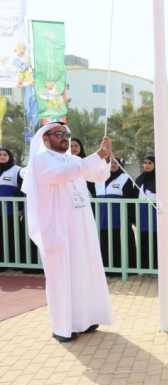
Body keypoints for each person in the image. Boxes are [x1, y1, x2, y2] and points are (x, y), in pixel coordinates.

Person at [22, 122, 113, 342]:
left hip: (81, 228)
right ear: (46, 139)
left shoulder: (73, 160)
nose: (64, 138)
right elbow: (60, 175)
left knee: (85, 271)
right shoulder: (40, 160)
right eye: (58, 134)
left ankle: (87, 318)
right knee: (62, 277)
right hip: (58, 229)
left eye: (66, 134)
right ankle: (64, 326)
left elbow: (98, 175)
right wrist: (96, 155)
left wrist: (106, 156)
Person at [95, 157, 138, 274]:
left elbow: (131, 201)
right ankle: (105, 270)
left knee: (120, 244)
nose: (113, 165)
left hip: (119, 221)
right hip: (102, 221)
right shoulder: (97, 179)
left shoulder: (125, 179)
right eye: (110, 163)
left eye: (116, 163)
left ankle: (123, 270)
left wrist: (130, 219)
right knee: (103, 244)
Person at [0, 148, 23, 267]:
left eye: (5, 154)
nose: (2, 156)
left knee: (11, 237)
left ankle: (14, 262)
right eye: (0, 155)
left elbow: (22, 190)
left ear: (9, 156)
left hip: (10, 212)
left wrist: (20, 209)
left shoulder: (17, 170)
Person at [135, 155, 157, 270]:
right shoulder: (139, 179)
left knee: (156, 240)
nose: (147, 165)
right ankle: (145, 267)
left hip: (156, 215)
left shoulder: (160, 179)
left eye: (150, 163)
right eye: (145, 163)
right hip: (142, 214)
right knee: (143, 239)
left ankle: (157, 267)